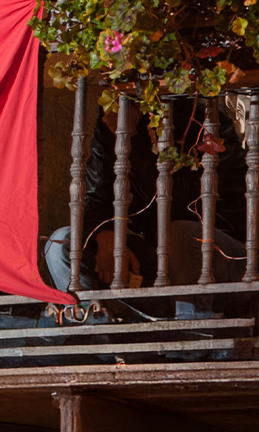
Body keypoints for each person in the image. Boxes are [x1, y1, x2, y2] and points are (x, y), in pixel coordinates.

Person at [44, 100, 247, 293]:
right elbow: (95, 196)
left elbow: (190, 206)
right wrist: (104, 235)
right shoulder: (117, 115)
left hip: (222, 258)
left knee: (179, 234)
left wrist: (132, 138)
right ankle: (89, 314)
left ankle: (192, 316)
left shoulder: (202, 112)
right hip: (156, 256)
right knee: (60, 243)